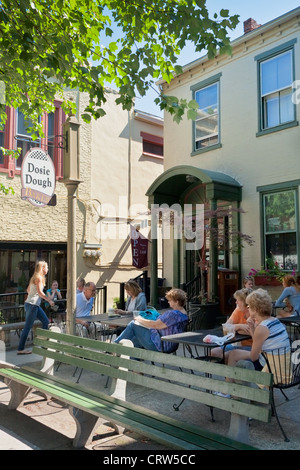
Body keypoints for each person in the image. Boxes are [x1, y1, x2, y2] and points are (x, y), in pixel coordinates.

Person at [227, 288, 290, 371]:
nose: (248, 309)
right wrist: (252, 328)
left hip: (271, 372)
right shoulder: (275, 321)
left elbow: (254, 357)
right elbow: (258, 343)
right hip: (284, 369)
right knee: (235, 353)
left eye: (249, 306)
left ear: (255, 310)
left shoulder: (262, 328)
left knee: (233, 354)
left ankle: (229, 383)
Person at [113, 288, 188, 353]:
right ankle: (133, 366)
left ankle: (113, 346)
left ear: (177, 302)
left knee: (133, 324)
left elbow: (155, 325)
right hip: (171, 344)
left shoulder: (173, 314)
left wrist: (140, 319)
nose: (168, 302)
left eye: (170, 300)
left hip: (161, 344)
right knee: (135, 340)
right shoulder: (183, 314)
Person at [17, 260, 54, 355]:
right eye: (47, 267)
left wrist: (33, 296)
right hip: (32, 305)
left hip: (33, 305)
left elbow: (28, 289)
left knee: (46, 321)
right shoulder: (38, 278)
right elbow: (40, 292)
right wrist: (48, 300)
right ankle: (20, 349)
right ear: (42, 268)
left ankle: (43, 344)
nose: (48, 269)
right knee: (27, 327)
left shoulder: (35, 277)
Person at [211, 288, 253, 362]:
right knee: (214, 352)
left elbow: (250, 331)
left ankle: (226, 372)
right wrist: (239, 326)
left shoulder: (254, 313)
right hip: (237, 344)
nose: (236, 302)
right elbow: (226, 326)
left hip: (251, 347)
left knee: (228, 356)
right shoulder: (239, 310)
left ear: (245, 302)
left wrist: (234, 329)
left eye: (238, 300)